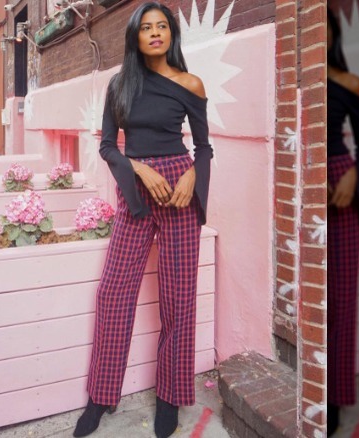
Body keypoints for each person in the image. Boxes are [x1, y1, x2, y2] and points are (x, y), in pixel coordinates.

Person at [73, 3, 212, 438]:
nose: (155, 33)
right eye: (146, 28)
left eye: (162, 27)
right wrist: (138, 168)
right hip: (137, 188)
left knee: (178, 298)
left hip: (179, 189)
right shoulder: (120, 84)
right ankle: (100, 397)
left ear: (172, 34)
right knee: (114, 293)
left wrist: (191, 173)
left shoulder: (190, 83)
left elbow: (205, 148)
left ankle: (169, 398)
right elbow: (109, 148)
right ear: (135, 37)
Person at [326, 7, 359, 436]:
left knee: (342, 295)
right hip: (301, 181)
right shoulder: (295, 85)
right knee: (311, 294)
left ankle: (335, 395)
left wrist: (354, 178)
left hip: (340, 182)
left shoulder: (349, 84)